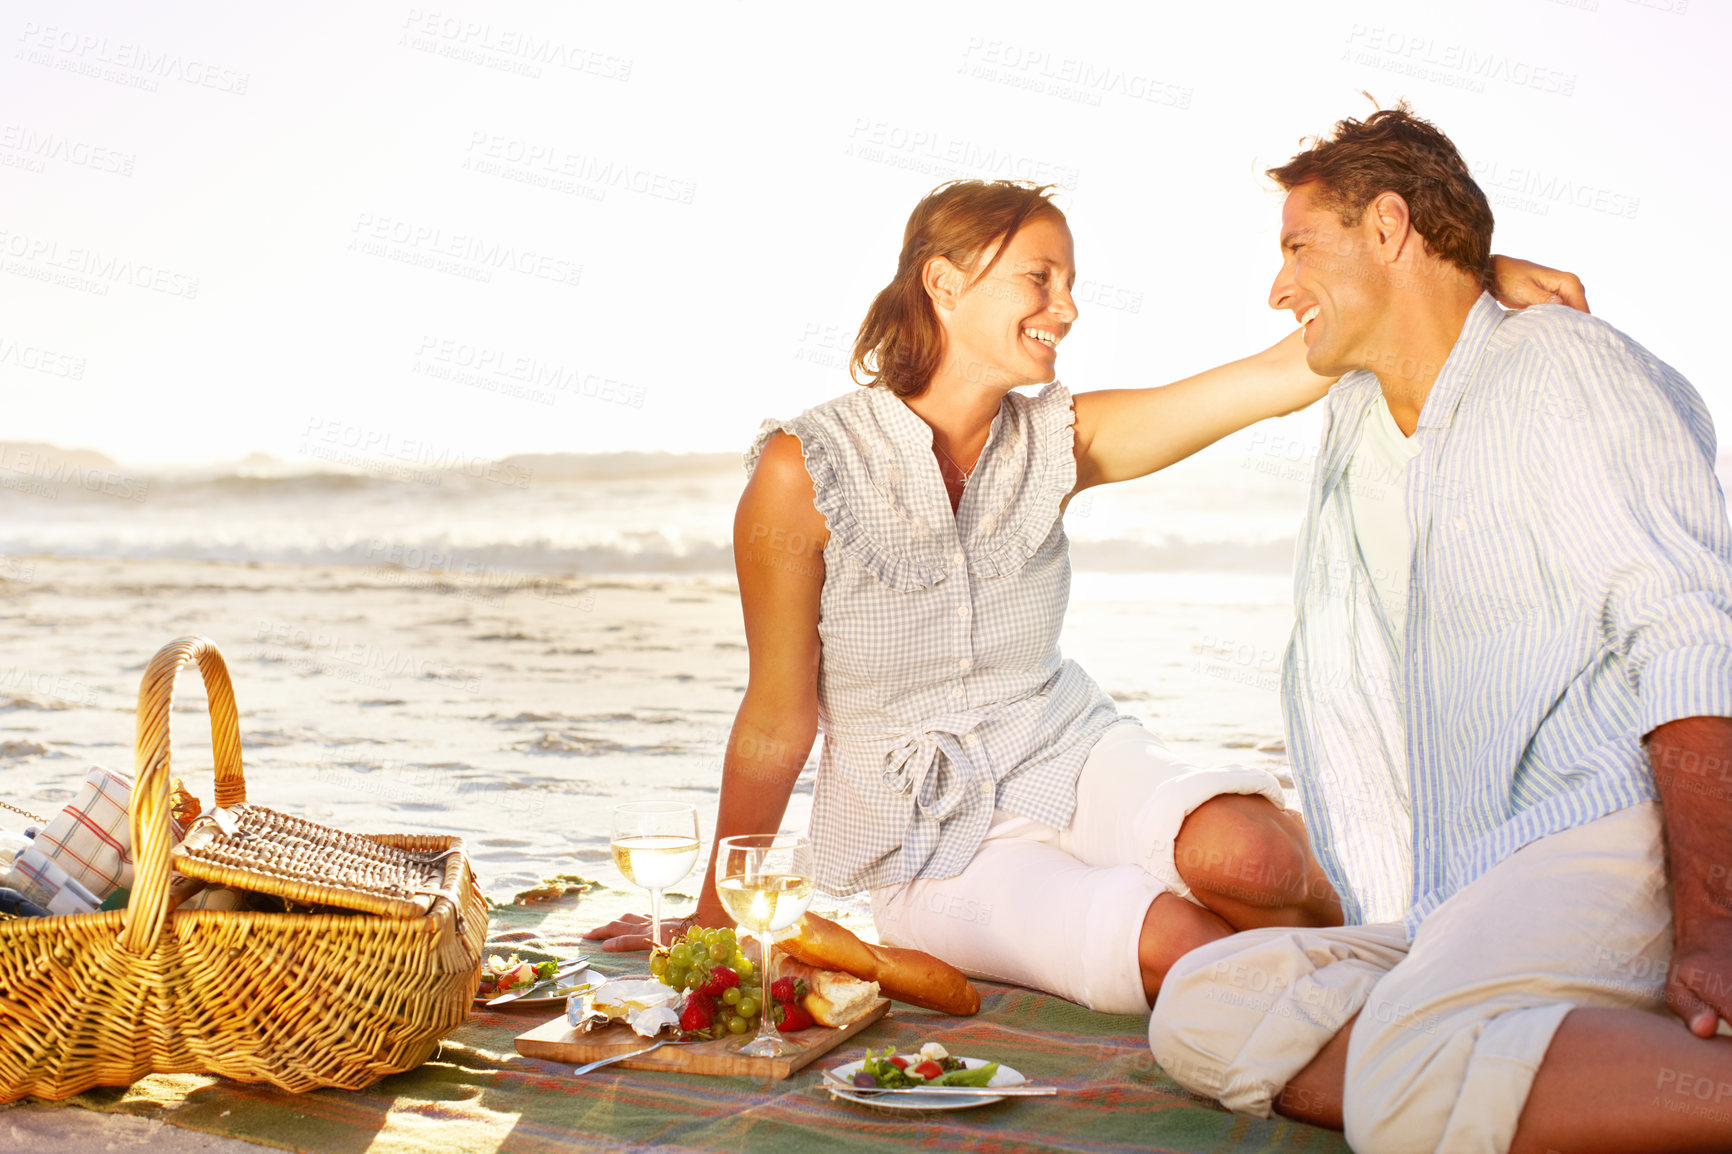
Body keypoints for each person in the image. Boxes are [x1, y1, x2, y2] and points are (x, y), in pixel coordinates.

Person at [588, 178, 1582, 1015]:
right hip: (928, 842)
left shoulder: (1061, 440)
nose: (1064, 307)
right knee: (1186, 946)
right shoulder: (803, 468)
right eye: (1038, 277)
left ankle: (1442, 985)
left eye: (1068, 284)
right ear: (942, 280)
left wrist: (1467, 279)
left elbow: (1281, 373)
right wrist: (723, 904)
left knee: (1257, 864)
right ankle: (1426, 1027)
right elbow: (777, 711)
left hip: (1066, 749)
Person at [1147, 104, 1732, 1153]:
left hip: (1604, 827)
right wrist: (1478, 262)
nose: (1278, 286)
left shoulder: (1565, 366)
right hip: (1473, 868)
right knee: (1204, 1000)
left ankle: (1468, 1074)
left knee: (1404, 1082)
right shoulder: (1362, 406)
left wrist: (1717, 924)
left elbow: (1687, 638)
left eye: (1295, 248)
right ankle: (1565, 1067)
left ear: (1385, 227)